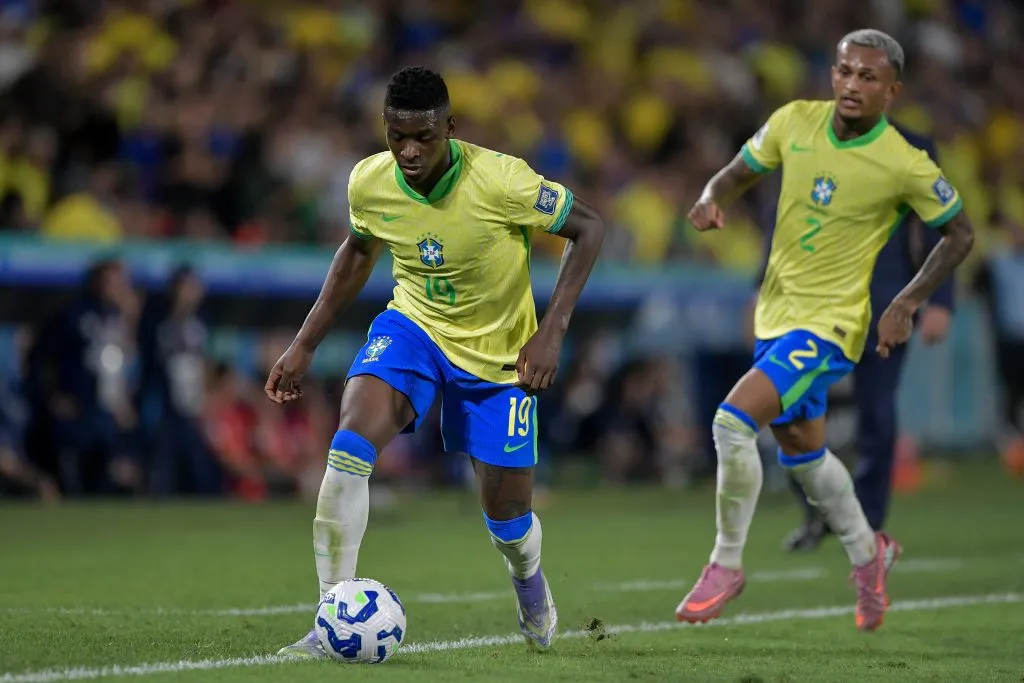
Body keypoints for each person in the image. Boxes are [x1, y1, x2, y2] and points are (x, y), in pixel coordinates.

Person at [265, 66, 604, 656]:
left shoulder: (501, 181)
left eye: (424, 136)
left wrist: (552, 332)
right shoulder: (370, 182)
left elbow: (590, 228)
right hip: (415, 328)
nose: (409, 150)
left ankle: (530, 584)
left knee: (508, 521)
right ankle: (331, 617)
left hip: (500, 360)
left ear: (451, 126)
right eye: (397, 136)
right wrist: (305, 343)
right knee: (349, 444)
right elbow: (357, 254)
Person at [676, 29, 974, 632]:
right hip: (776, 315)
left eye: (868, 78)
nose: (852, 85)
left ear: (892, 91)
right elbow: (735, 173)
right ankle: (871, 555)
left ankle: (725, 564)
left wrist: (909, 300)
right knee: (806, 458)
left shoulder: (905, 162)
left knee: (731, 423)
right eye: (844, 72)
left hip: (832, 323)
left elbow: (960, 234)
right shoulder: (793, 122)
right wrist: (710, 197)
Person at [753, 124, 955, 550]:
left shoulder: (913, 147)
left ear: (888, 88)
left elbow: (942, 225)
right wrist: (761, 287)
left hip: (884, 304)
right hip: (812, 305)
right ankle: (816, 514)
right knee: (789, 410)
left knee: (877, 417)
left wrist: (940, 300)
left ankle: (865, 525)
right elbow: (785, 217)